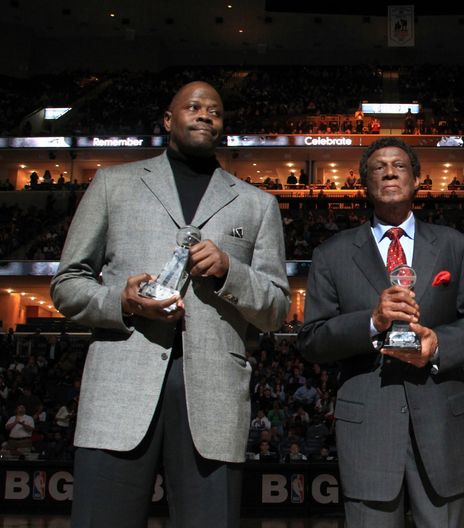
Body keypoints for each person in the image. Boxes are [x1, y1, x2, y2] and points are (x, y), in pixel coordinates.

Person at [50, 81, 291, 528]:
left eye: (215, 111)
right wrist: (120, 302)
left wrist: (228, 272)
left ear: (222, 127)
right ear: (168, 120)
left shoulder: (258, 205)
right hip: (118, 392)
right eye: (193, 106)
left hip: (213, 398)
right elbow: (67, 283)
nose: (204, 115)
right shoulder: (112, 184)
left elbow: (277, 308)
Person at [298, 137, 464, 528]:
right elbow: (313, 340)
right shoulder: (331, 254)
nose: (389, 171)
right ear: (364, 183)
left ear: (418, 180)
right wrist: (371, 322)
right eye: (378, 167)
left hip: (441, 426)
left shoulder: (455, 247)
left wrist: (438, 344)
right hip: (369, 431)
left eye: (399, 165)